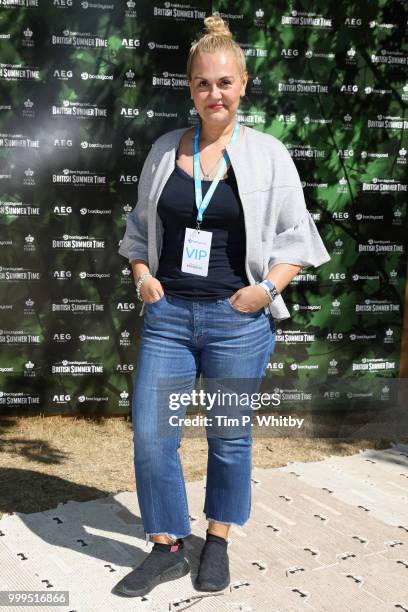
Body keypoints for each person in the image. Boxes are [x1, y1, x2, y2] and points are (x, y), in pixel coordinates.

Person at [112, 15, 331, 598]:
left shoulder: (267, 155)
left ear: (244, 84)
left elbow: (297, 237)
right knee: (153, 434)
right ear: (190, 88)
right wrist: (142, 275)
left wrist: (269, 290)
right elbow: (139, 229)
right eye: (205, 83)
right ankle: (168, 545)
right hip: (170, 319)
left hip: (238, 322)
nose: (216, 94)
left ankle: (218, 540)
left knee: (229, 436)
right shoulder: (164, 151)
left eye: (226, 82)